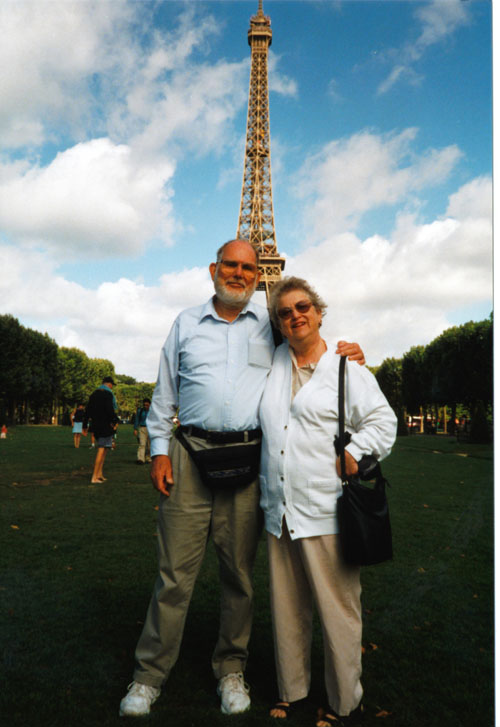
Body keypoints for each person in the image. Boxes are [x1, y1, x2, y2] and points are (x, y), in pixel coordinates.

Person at [119, 239, 365, 719]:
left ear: (258, 275)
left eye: (248, 268)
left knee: (239, 577)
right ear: (214, 269)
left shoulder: (271, 328)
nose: (238, 273)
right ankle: (149, 676)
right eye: (230, 265)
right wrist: (159, 451)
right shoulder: (186, 324)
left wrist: (349, 354)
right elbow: (163, 393)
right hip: (189, 455)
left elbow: (309, 350)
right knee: (174, 576)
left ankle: (231, 668)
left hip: (247, 461)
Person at [258, 277, 397, 727]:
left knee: (338, 612)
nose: (295, 316)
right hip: (279, 509)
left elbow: (383, 420)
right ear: (277, 324)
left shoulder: (346, 368)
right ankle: (291, 690)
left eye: (303, 308)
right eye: (284, 312)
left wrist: (354, 454)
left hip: (325, 509)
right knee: (287, 608)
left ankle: (343, 701)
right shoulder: (273, 361)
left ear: (319, 313)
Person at [83, 376, 119, 484]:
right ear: (109, 384)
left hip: (96, 425)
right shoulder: (108, 394)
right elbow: (110, 409)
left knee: (104, 450)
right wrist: (115, 420)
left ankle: (99, 474)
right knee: (101, 450)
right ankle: (94, 477)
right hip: (105, 425)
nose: (112, 387)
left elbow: (88, 410)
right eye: (112, 385)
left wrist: (85, 425)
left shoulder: (94, 394)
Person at [133, 398, 151, 464]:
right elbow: (137, 419)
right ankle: (140, 459)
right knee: (142, 444)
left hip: (150, 429)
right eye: (144, 405)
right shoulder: (140, 411)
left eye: (147, 405)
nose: (145, 406)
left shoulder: (153, 411)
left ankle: (148, 458)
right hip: (142, 428)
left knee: (149, 445)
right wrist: (135, 429)